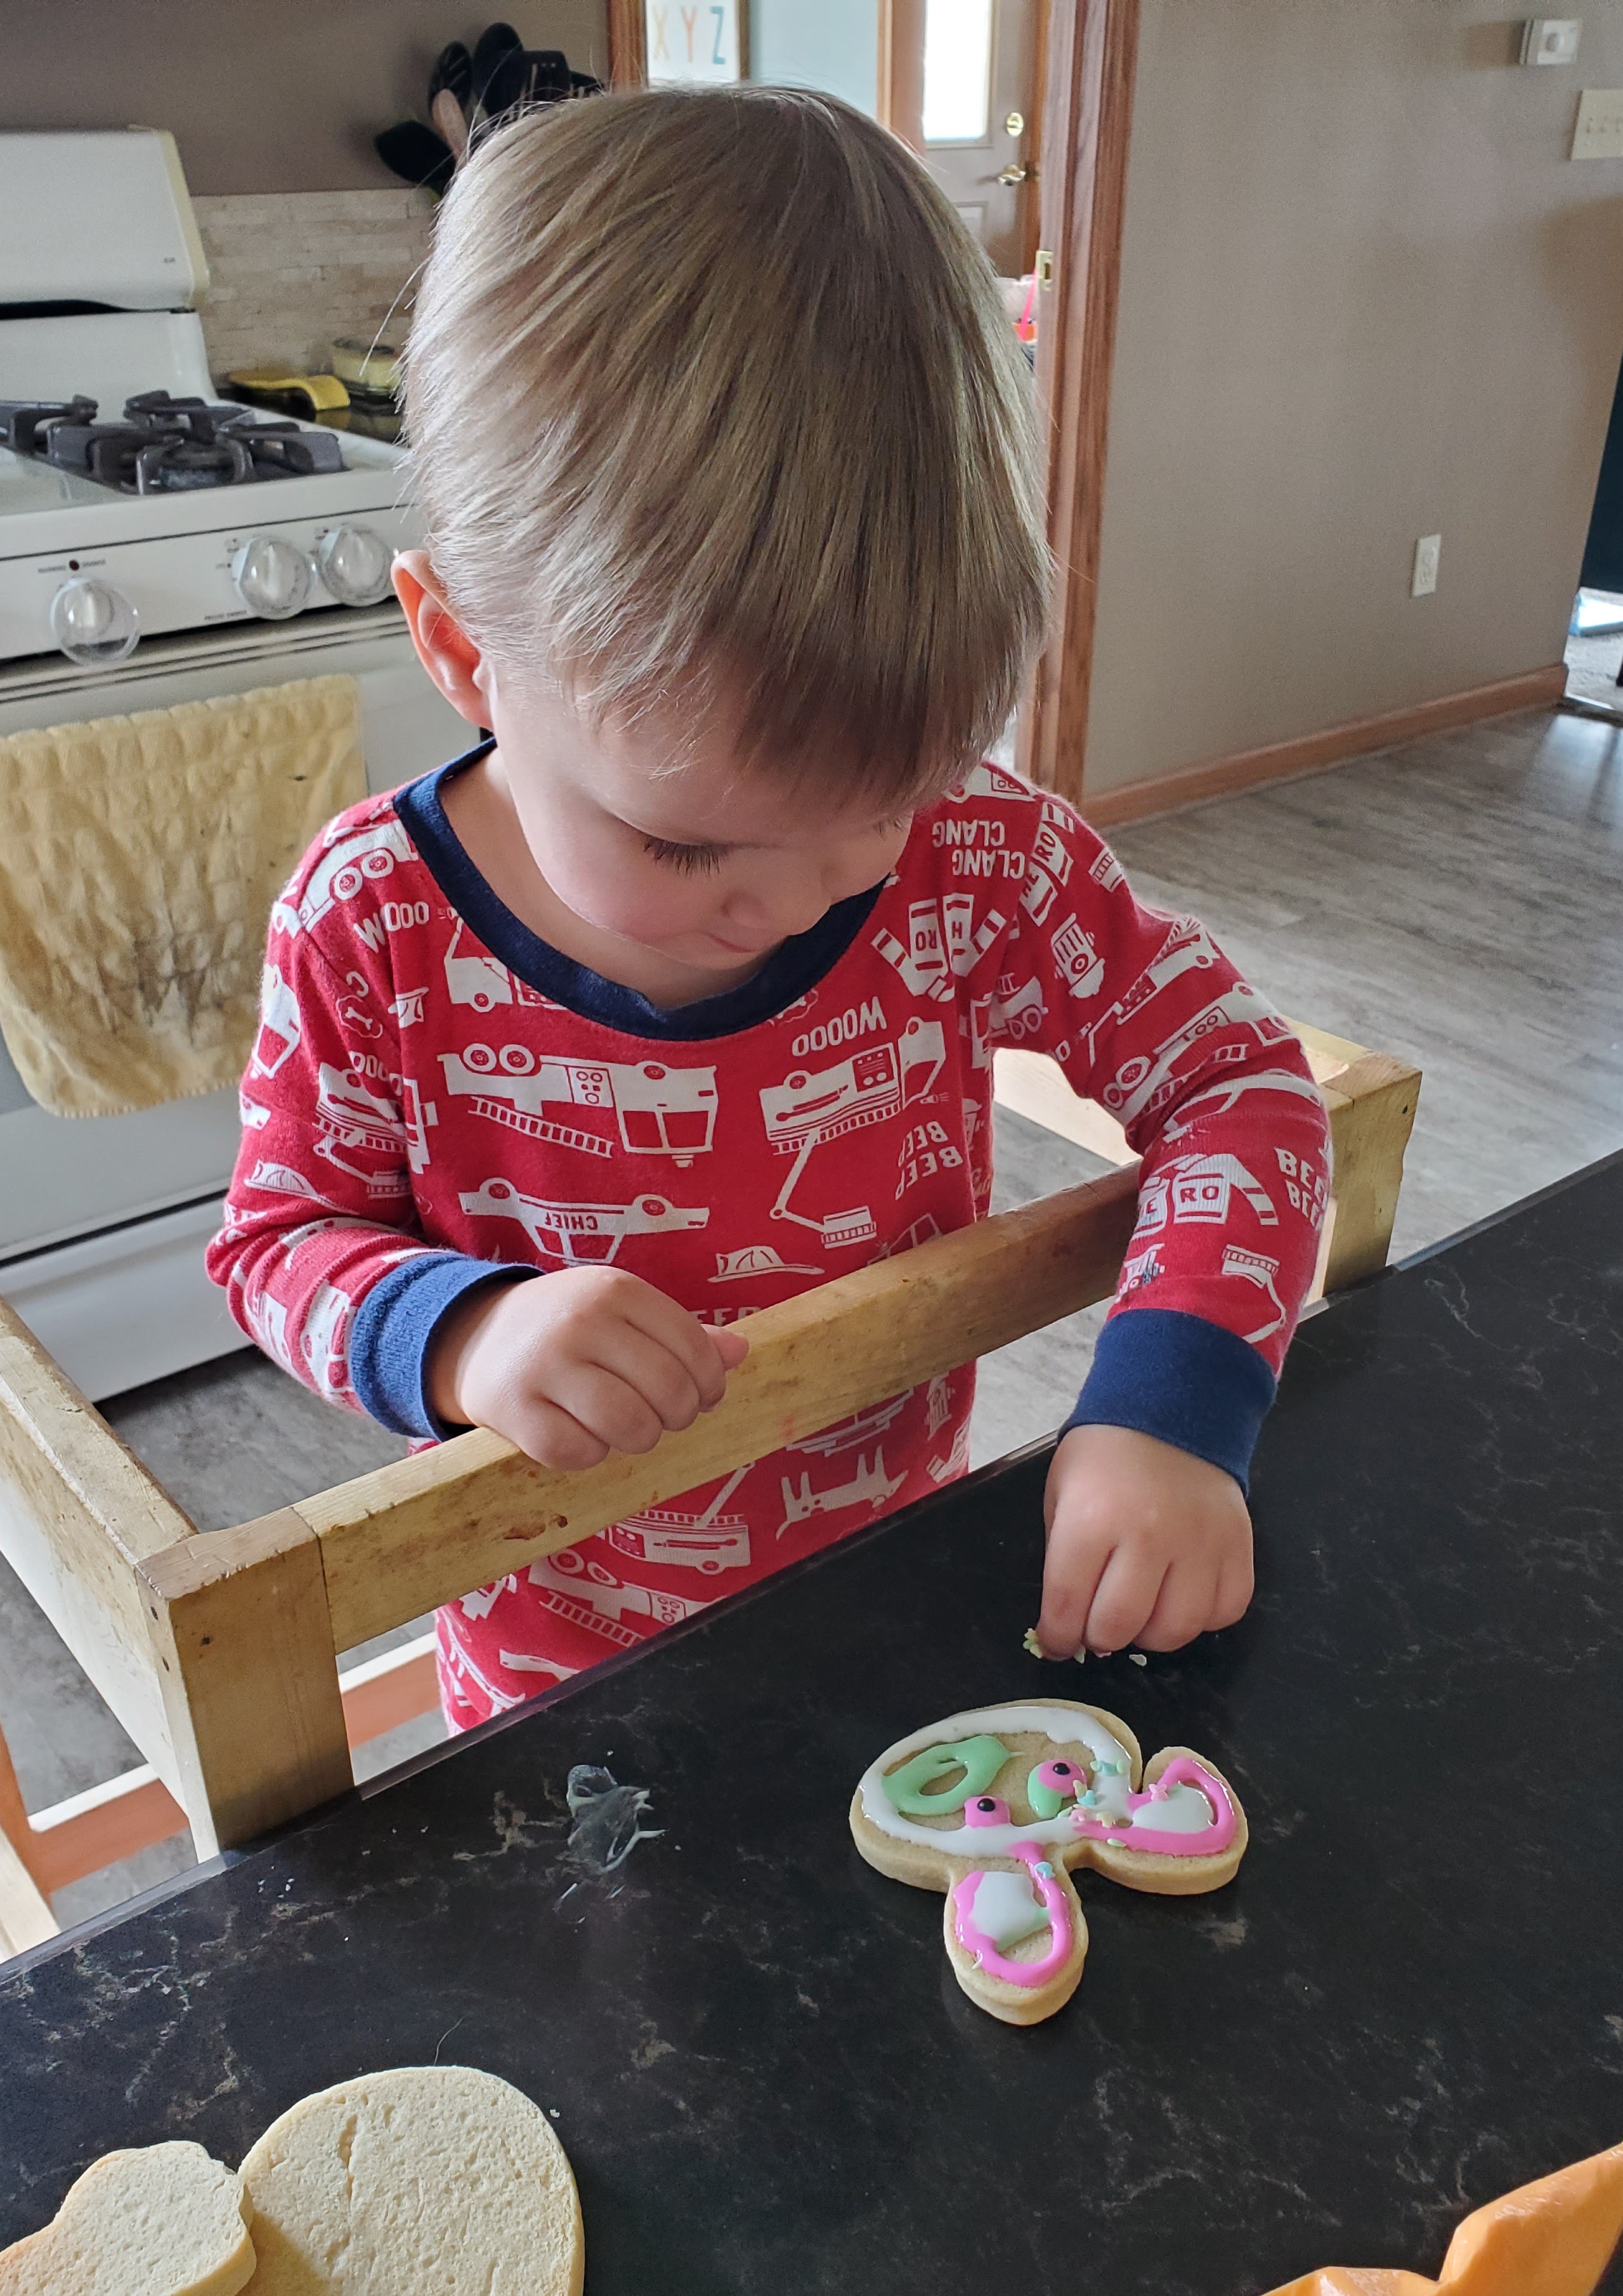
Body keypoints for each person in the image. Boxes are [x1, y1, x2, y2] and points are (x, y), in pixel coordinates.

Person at [209, 85, 1332, 1734]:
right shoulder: (370, 925)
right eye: (684, 847)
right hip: (555, 1695)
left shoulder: (980, 856)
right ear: (462, 654)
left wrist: (1173, 1409)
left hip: (896, 1609)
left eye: (881, 803)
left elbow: (1238, 1085)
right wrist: (462, 1335)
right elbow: (276, 1243)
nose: (801, 898)